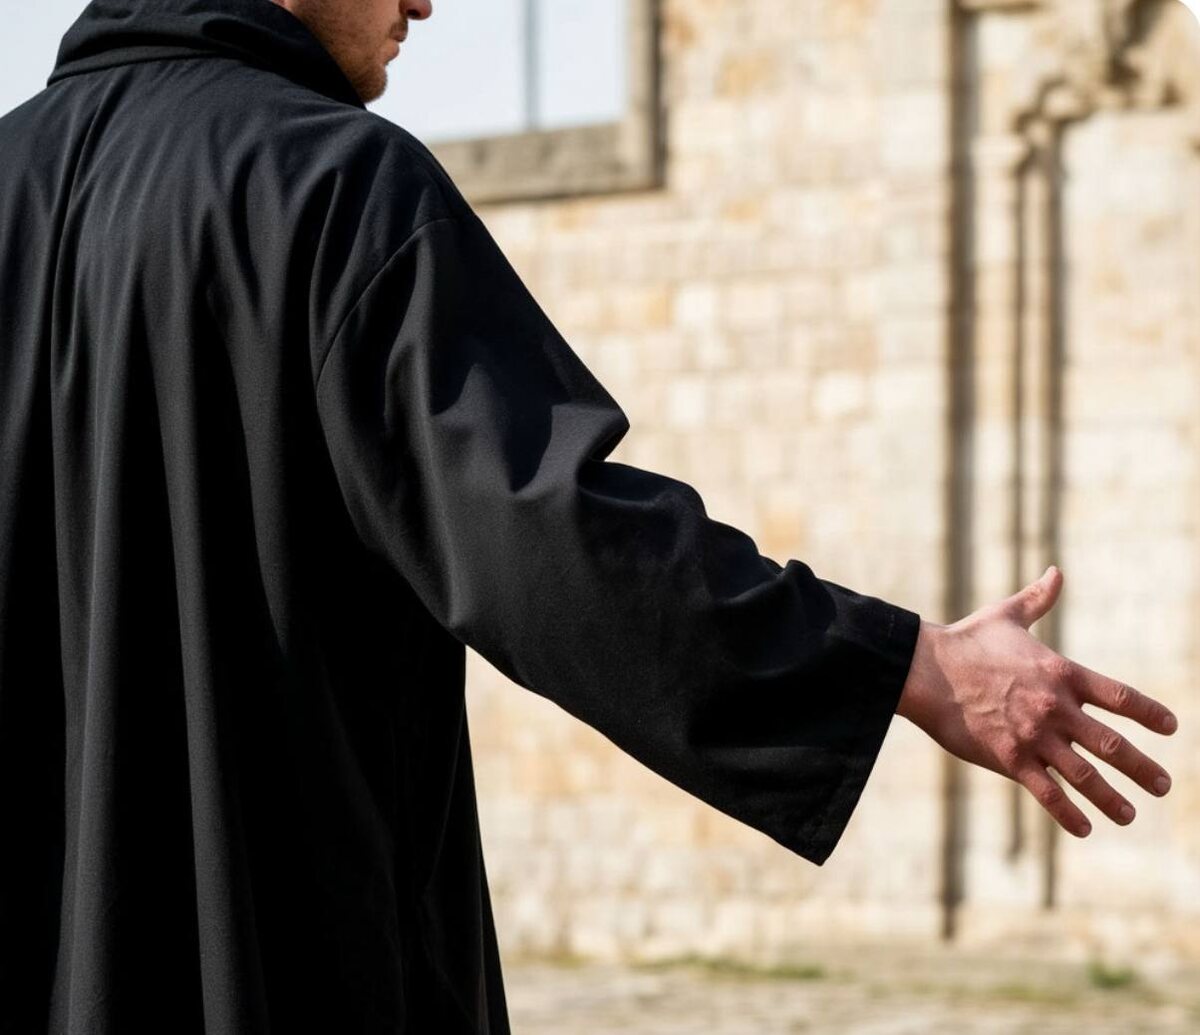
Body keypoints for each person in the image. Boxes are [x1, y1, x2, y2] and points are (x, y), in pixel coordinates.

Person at [0, 0, 1177, 1031]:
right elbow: (551, 537)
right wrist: (907, 666)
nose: (425, 2)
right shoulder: (333, 186)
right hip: (287, 960)